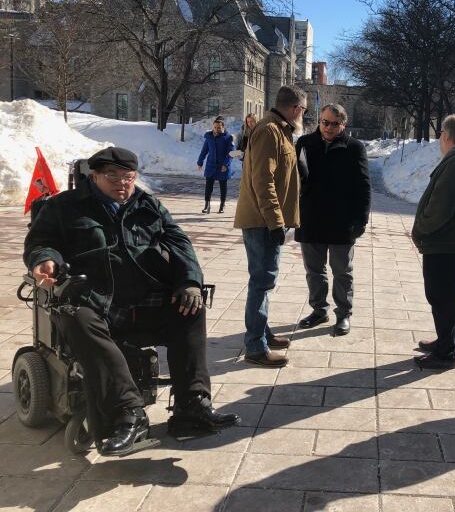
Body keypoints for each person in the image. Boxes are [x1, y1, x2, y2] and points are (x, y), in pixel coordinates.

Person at [23, 146, 240, 456]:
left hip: (143, 300)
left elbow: (178, 240)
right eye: (113, 176)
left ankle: (192, 406)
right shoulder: (64, 206)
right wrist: (45, 259)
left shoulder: (147, 204)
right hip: (94, 301)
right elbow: (40, 241)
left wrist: (189, 281)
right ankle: (128, 414)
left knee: (191, 308)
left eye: (128, 176)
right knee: (76, 318)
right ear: (94, 175)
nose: (122, 183)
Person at [234, 86, 307, 367]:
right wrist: (276, 221)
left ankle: (262, 332)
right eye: (303, 110)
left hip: (267, 220)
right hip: (262, 221)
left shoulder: (279, 130)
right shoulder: (269, 131)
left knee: (265, 281)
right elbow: (262, 181)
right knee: (261, 281)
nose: (303, 114)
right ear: (296, 108)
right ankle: (255, 347)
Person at [411, 114, 455, 370]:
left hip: (445, 244)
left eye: (441, 133)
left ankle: (446, 352)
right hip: (452, 243)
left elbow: (440, 210)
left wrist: (420, 231)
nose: (439, 138)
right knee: (448, 296)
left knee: (443, 298)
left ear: (448, 136)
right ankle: (446, 341)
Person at [294, 103, 371, 336]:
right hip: (311, 218)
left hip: (341, 222)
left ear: (343, 125)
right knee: (314, 270)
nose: (328, 127)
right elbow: (295, 178)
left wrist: (361, 220)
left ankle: (344, 313)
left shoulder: (354, 147)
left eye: (334, 123)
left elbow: (363, 186)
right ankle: (319, 310)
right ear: (319, 121)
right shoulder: (305, 143)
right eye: (324, 122)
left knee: (342, 271)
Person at [197, 116, 234, 214]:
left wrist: (226, 164)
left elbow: (231, 153)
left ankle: (222, 205)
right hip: (211, 165)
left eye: (219, 127)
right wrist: (200, 162)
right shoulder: (209, 137)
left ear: (223, 127)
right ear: (212, 127)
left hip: (223, 166)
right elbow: (204, 151)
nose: (217, 129)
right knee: (208, 185)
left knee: (223, 186)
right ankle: (207, 205)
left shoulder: (228, 138)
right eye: (215, 127)